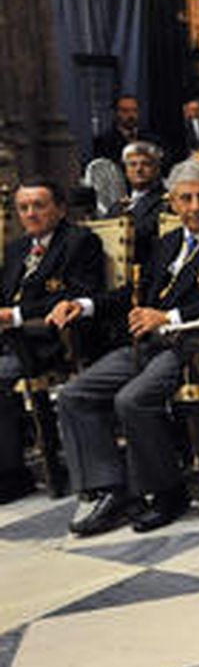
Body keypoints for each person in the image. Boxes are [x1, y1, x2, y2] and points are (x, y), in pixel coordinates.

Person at [52, 159, 199, 536]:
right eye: (186, 199)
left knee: (132, 399)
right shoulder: (167, 243)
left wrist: (170, 317)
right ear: (173, 202)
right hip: (147, 344)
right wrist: (84, 305)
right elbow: (133, 294)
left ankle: (166, 493)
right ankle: (109, 488)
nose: (196, 206)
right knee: (75, 394)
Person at [0, 179, 105, 500]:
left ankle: (11, 474)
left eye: (39, 206)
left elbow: (75, 295)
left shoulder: (78, 241)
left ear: (60, 209)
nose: (31, 214)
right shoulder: (18, 248)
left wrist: (14, 315)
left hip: (51, 341)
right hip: (10, 340)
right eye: (24, 207)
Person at [116, 141, 168, 266]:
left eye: (146, 164)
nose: (138, 169)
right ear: (125, 170)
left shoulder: (167, 203)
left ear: (157, 169)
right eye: (132, 164)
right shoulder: (118, 206)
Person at [93, 95, 161, 165]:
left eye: (135, 110)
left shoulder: (152, 139)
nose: (131, 115)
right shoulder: (105, 142)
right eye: (125, 111)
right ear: (116, 113)